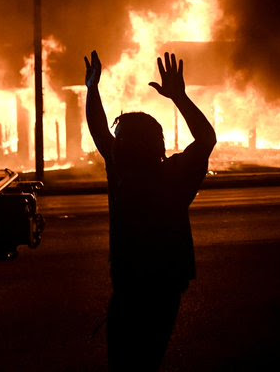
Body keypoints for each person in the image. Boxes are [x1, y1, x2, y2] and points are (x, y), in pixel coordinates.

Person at [84, 50, 216, 371]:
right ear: (160, 146)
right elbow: (206, 139)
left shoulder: (121, 173)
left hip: (133, 289)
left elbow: (98, 130)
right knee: (146, 360)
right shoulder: (173, 174)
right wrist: (180, 98)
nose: (116, 143)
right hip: (163, 287)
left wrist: (92, 89)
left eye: (122, 138)